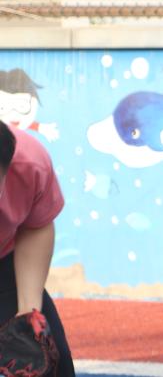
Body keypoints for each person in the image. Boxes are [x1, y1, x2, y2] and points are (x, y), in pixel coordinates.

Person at [0, 120, 75, 375]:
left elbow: (35, 227)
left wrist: (27, 315)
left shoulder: (29, 164)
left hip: (4, 260)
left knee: (50, 363)